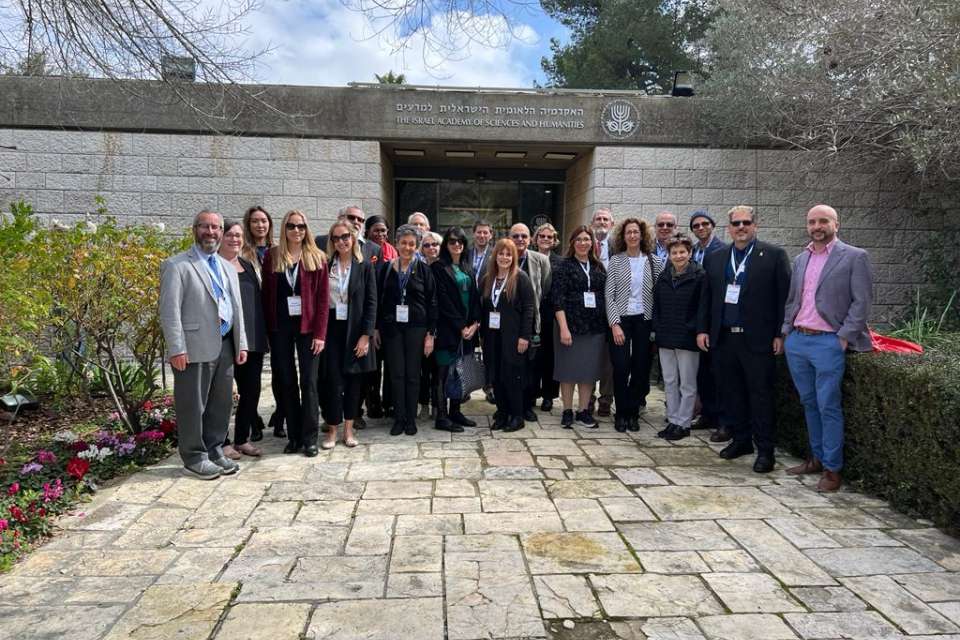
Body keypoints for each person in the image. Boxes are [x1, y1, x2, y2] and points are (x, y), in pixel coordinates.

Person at [782, 204, 873, 492]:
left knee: (828, 405)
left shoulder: (855, 256)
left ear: (836, 224)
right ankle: (816, 458)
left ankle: (833, 469)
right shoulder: (801, 258)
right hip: (798, 340)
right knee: (809, 402)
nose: (817, 226)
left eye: (823, 221)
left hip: (828, 341)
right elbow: (793, 300)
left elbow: (862, 302)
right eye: (812, 222)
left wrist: (844, 336)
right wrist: (786, 331)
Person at [696, 206, 790, 473]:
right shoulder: (716, 258)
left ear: (755, 225)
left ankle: (765, 450)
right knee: (731, 393)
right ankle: (741, 441)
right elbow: (707, 298)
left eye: (746, 222)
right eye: (736, 223)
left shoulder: (774, 255)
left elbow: (784, 298)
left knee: (760, 396)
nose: (741, 227)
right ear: (728, 228)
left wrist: (780, 333)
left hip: (758, 340)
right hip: (724, 339)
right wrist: (703, 330)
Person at [159, 210, 247, 479]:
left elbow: (236, 307)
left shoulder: (226, 266)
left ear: (221, 231)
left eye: (216, 227)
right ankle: (194, 456)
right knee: (193, 405)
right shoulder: (177, 265)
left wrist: (241, 342)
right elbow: (169, 311)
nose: (210, 232)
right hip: (193, 347)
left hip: (225, 344)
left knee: (221, 403)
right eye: (205, 226)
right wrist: (177, 348)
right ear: (194, 229)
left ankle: (214, 449)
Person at [261, 209, 329, 457]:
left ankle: (310, 438)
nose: (296, 230)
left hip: (308, 328)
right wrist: (267, 332)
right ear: (284, 228)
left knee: (308, 382)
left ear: (306, 229)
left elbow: (323, 300)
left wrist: (320, 334)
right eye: (291, 226)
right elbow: (266, 296)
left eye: (301, 226)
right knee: (287, 382)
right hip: (280, 328)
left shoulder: (317, 257)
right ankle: (294, 437)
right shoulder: (273, 256)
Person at [320, 221, 377, 449]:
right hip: (332, 329)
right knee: (333, 382)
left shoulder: (364, 266)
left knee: (354, 382)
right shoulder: (325, 265)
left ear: (353, 238)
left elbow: (372, 302)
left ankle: (349, 430)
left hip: (355, 329)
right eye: (336, 238)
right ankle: (332, 430)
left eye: (345, 237)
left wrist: (366, 335)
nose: (341, 242)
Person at [376, 224, 438, 436]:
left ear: (417, 246)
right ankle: (399, 418)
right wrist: (376, 329)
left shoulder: (424, 270)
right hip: (392, 329)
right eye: (403, 243)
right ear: (396, 244)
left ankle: (410, 418)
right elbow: (380, 301)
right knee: (396, 375)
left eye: (412, 244)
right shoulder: (386, 269)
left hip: (416, 329)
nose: (407, 247)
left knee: (412, 375)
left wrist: (430, 334)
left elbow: (432, 303)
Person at [605, 218, 664, 432]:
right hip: (621, 319)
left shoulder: (654, 261)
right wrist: (614, 324)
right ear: (623, 236)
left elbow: (659, 295)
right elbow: (609, 295)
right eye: (628, 232)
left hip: (644, 320)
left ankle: (632, 412)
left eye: (636, 232)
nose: (632, 236)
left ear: (642, 235)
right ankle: (620, 412)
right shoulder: (616, 261)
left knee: (640, 367)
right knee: (621, 366)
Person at [551, 225, 607, 429]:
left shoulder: (599, 267)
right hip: (570, 326)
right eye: (579, 239)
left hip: (594, 328)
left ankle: (583, 411)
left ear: (592, 243)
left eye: (587, 239)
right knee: (568, 370)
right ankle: (567, 410)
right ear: (572, 243)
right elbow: (557, 299)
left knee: (588, 372)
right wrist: (563, 328)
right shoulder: (563, 266)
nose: (583, 243)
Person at [219, 219, 266, 457]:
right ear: (220, 237)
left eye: (238, 235)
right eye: (229, 234)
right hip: (224, 338)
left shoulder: (247, 265)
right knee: (222, 392)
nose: (234, 239)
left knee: (251, 390)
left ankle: (241, 439)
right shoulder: (214, 265)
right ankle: (222, 441)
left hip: (251, 338)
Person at [652, 233, 706, 440]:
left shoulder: (699, 276)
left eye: (682, 252)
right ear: (669, 255)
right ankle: (673, 420)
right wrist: (657, 329)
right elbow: (657, 305)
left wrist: (697, 330)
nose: (678, 256)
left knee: (687, 383)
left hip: (688, 337)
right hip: (666, 336)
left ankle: (684, 423)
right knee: (670, 380)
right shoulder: (664, 276)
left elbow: (703, 308)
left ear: (690, 253)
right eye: (674, 252)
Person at [481, 239, 536, 432]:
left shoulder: (520, 278)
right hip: (492, 337)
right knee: (496, 377)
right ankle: (502, 413)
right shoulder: (487, 279)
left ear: (513, 257)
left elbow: (529, 309)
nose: (504, 258)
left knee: (512, 377)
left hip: (513, 338)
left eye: (508, 254)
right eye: (501, 253)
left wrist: (524, 336)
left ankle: (517, 416)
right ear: (495, 256)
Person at [431, 226, 481, 432]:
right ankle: (441, 417)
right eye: (452, 241)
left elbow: (476, 298)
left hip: (467, 332)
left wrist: (475, 324)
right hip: (447, 331)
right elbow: (443, 301)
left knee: (461, 372)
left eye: (460, 241)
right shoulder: (438, 268)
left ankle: (455, 411)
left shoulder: (468, 267)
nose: (457, 244)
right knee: (443, 374)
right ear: (446, 244)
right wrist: (461, 326)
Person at [688, 210, 727, 436]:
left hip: (715, 319)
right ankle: (707, 413)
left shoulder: (723, 250)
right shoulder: (692, 251)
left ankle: (722, 418)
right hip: (696, 318)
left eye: (704, 224)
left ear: (712, 225)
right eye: (696, 226)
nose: (701, 228)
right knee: (701, 371)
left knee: (717, 371)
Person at [509, 223, 551, 422]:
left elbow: (544, 287)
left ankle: (527, 405)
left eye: (524, 236)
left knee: (530, 366)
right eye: (516, 236)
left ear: (530, 239)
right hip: (507, 322)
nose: (520, 239)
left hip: (531, 321)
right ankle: (509, 404)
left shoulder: (541, 260)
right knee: (509, 365)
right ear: (509, 238)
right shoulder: (503, 257)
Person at [242, 205, 278, 440]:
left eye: (264, 221)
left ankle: (281, 414)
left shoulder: (277, 250)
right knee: (251, 375)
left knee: (281, 369)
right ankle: (252, 418)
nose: (260, 225)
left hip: (276, 316)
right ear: (248, 224)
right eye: (255, 221)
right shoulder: (242, 252)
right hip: (253, 318)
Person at [363, 214, 396, 419]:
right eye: (376, 230)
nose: (380, 234)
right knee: (373, 366)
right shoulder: (365, 252)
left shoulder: (394, 252)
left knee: (391, 364)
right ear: (367, 232)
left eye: (383, 230)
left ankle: (389, 402)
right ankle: (372, 402)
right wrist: (373, 325)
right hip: (372, 318)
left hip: (391, 319)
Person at [533, 222, 562, 412]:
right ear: (536, 239)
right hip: (532, 314)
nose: (545, 239)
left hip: (552, 315)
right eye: (542, 236)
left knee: (551, 357)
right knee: (534, 356)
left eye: (549, 237)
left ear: (554, 241)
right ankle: (532, 392)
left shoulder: (561, 262)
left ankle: (548, 395)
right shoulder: (527, 258)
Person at [591, 208, 616, 417]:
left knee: (609, 359)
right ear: (592, 223)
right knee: (589, 355)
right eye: (598, 219)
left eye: (605, 219)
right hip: (590, 311)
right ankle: (588, 398)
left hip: (613, 310)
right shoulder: (584, 244)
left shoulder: (619, 247)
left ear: (612, 224)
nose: (601, 222)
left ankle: (606, 399)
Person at [418, 231, 443, 417]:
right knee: (424, 368)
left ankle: (437, 404)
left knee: (439, 369)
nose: (431, 248)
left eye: (434, 244)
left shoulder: (446, 268)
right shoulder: (418, 268)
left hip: (442, 326)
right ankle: (424, 404)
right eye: (426, 245)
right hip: (422, 325)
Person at [316, 205, 382, 263]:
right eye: (351, 217)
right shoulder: (320, 241)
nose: (356, 222)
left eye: (360, 220)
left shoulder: (375, 249)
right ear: (340, 218)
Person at [467, 219, 494, 285]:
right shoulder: (466, 253)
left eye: (485, 233)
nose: (482, 236)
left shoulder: (495, 254)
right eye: (479, 232)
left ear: (491, 235)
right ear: (473, 234)